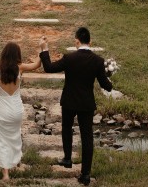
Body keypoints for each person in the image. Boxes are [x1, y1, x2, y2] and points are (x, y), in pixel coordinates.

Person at [39, 27, 113, 186]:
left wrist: (44, 49)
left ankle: (67, 159)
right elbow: (106, 86)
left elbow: (49, 68)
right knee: (87, 137)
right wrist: (111, 78)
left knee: (67, 128)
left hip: (69, 101)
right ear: (90, 42)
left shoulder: (69, 58)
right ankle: (85, 174)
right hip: (86, 104)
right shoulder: (98, 61)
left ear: (76, 41)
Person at [0, 42, 42, 182]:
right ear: (17, 55)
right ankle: (16, 161)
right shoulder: (20, 68)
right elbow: (37, 65)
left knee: (2, 140)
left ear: (4, 54)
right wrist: (41, 49)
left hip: (1, 110)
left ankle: (6, 174)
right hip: (16, 110)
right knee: (14, 135)